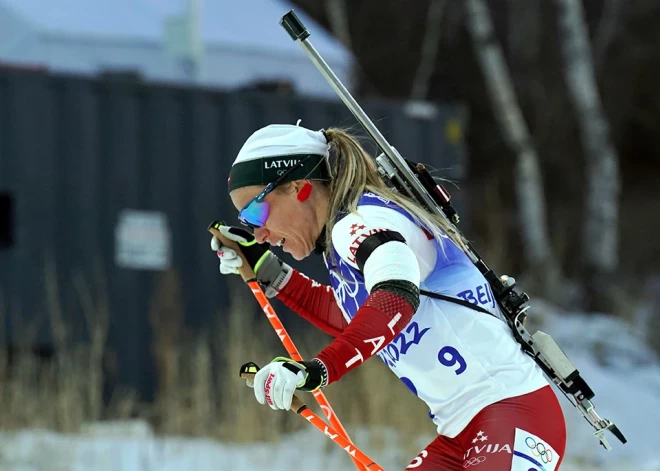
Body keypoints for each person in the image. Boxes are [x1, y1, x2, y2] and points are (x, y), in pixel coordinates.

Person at [211, 123, 567, 471]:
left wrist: (317, 370)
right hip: (460, 434)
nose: (258, 232)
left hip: (512, 414)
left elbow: (396, 295)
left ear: (298, 187)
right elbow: (357, 319)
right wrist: (268, 270)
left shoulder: (358, 221)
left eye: (255, 212)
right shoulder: (342, 242)